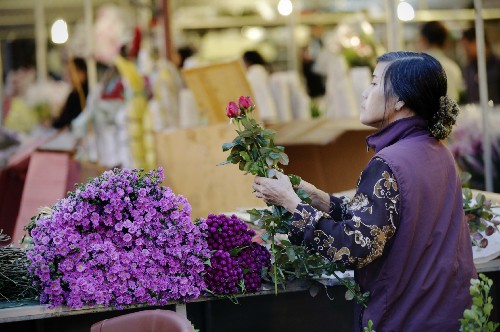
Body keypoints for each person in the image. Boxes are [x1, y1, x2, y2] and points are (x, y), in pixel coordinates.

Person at [252, 51, 476, 331]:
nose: (364, 93)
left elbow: (356, 247)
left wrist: (290, 203)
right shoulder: (437, 151)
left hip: (406, 318)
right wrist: (321, 200)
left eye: (373, 83)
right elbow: (390, 223)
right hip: (446, 314)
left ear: (400, 100)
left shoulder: (389, 163)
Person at [419, 21, 463, 101]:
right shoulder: (453, 68)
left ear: (423, 40)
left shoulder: (415, 68)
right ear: (445, 42)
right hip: (451, 113)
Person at [461, 27, 500, 104]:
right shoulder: (469, 67)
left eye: (467, 47)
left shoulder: (497, 65)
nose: (466, 51)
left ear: (477, 42)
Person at [52, 57, 89, 129]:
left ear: (82, 73)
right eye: (67, 73)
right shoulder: (74, 94)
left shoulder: (84, 96)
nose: (68, 76)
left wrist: (53, 123)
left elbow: (69, 122)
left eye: (71, 72)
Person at [242, 50, 278, 122]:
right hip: (266, 110)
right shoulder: (260, 69)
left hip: (263, 111)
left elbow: (249, 88)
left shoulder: (255, 70)